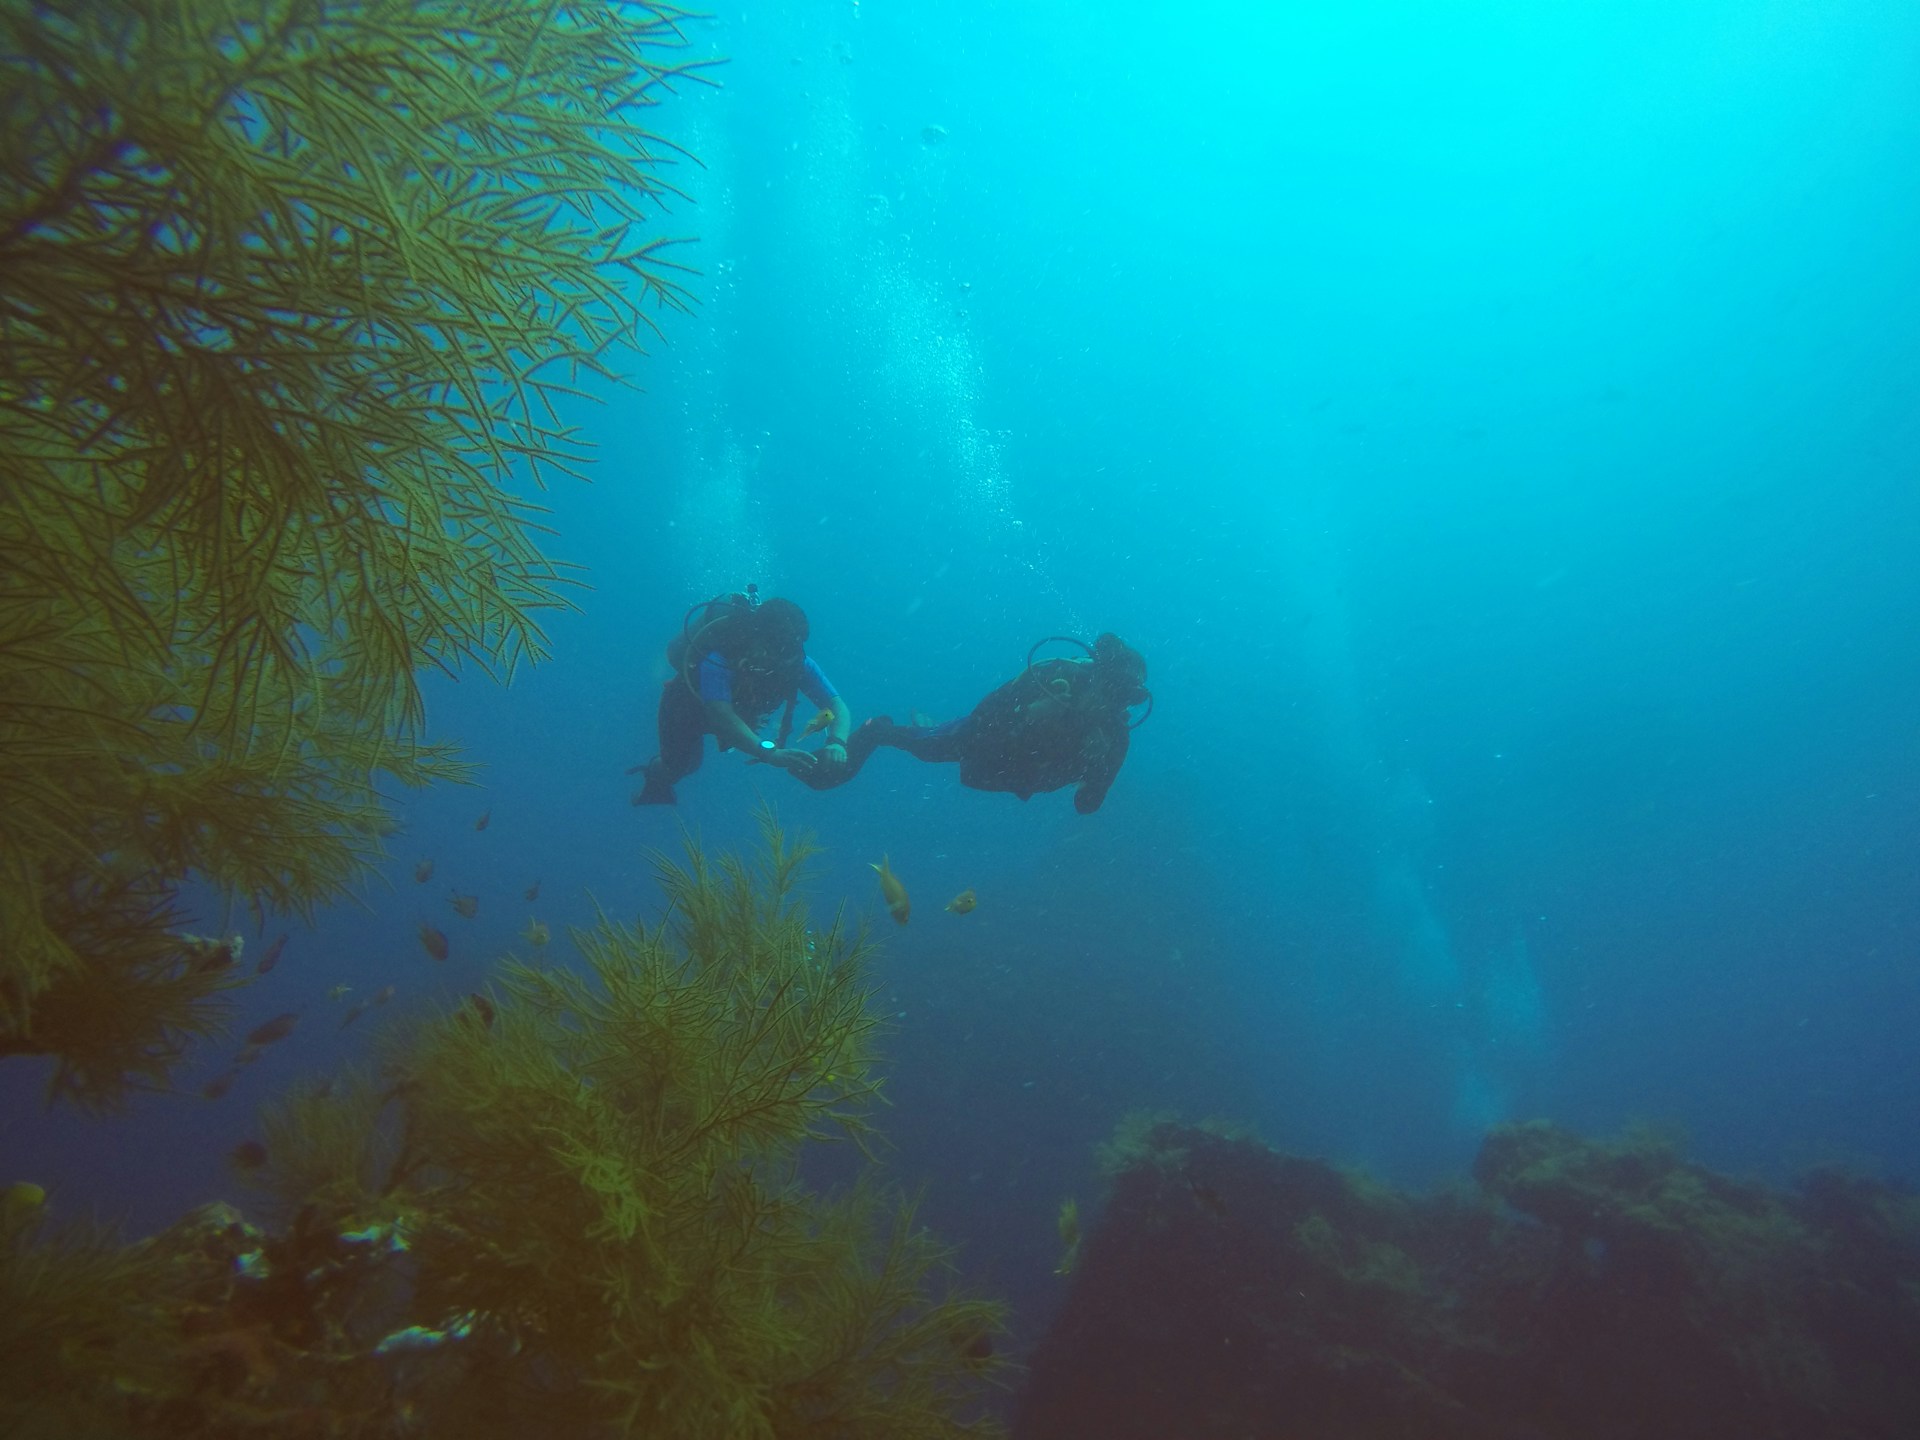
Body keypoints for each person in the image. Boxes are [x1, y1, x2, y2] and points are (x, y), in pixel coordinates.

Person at [809, 633, 1149, 813]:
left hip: (1017, 776)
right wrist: (1030, 714)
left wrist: (1097, 769)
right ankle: (878, 728)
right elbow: (982, 715)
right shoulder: (1054, 678)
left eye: (1123, 700)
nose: (1111, 706)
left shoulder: (1115, 737)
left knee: (934, 739)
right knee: (926, 747)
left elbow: (1086, 807)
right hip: (982, 743)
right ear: (1095, 679)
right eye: (1110, 692)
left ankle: (929, 725)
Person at [632, 590, 852, 805]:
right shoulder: (721, 657)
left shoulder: (796, 663)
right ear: (754, 636)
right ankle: (654, 774)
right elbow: (720, 713)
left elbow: (835, 705)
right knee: (680, 767)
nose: (778, 660)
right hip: (686, 711)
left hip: (737, 714)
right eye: (772, 649)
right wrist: (768, 753)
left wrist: (837, 742)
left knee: (692, 764)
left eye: (786, 651)